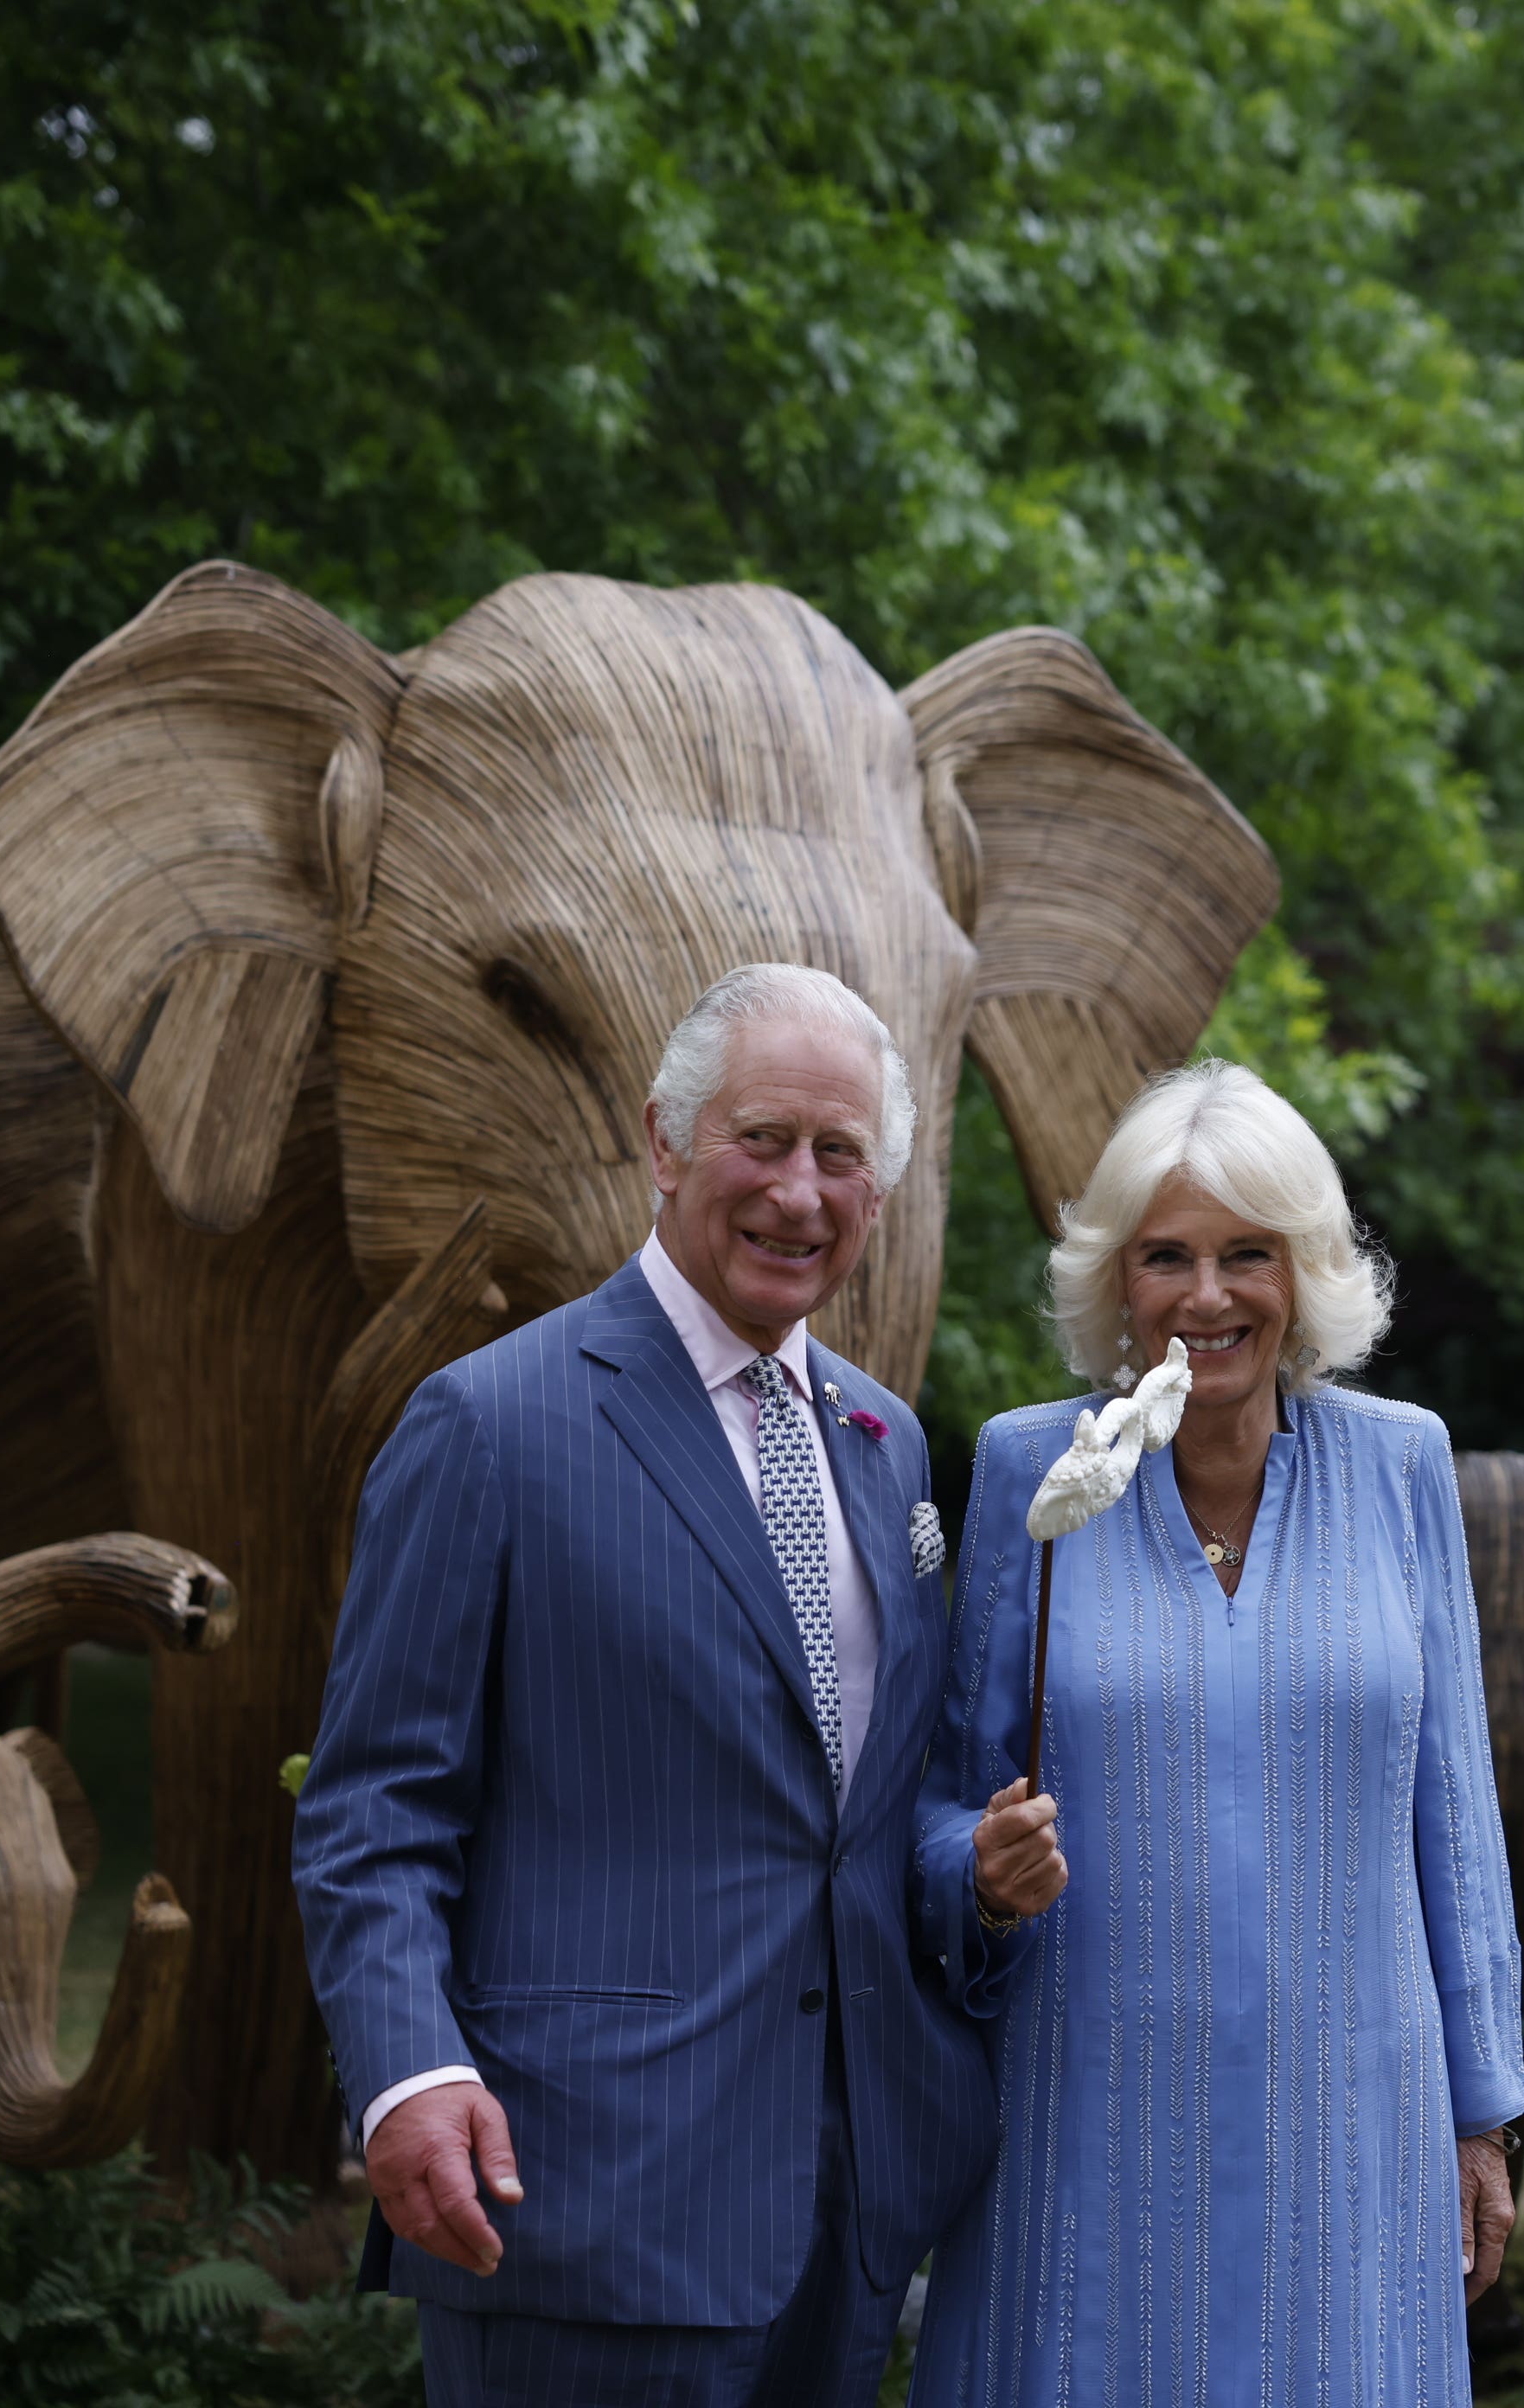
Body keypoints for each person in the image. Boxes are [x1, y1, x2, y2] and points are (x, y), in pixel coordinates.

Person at [292, 963, 1064, 2408]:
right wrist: (405, 2075)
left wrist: (975, 1884)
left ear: (878, 1197)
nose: (799, 1191)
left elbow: (862, 1815)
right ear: (665, 1142)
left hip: (847, 2208)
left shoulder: (888, 1442)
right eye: (761, 1139)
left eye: (841, 1156)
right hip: (583, 2201)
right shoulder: (490, 1425)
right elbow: (373, 1816)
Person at [909, 1059, 1524, 2408]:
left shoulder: (1404, 1464)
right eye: (1168, 1256)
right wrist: (979, 1870)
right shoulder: (1031, 1468)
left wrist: (1481, 2115)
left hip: (1351, 2119)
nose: (1208, 1296)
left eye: (1249, 1253)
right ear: (1115, 1283)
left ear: (1304, 1272)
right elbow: (949, 1799)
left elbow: (1456, 1810)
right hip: (1084, 2112)